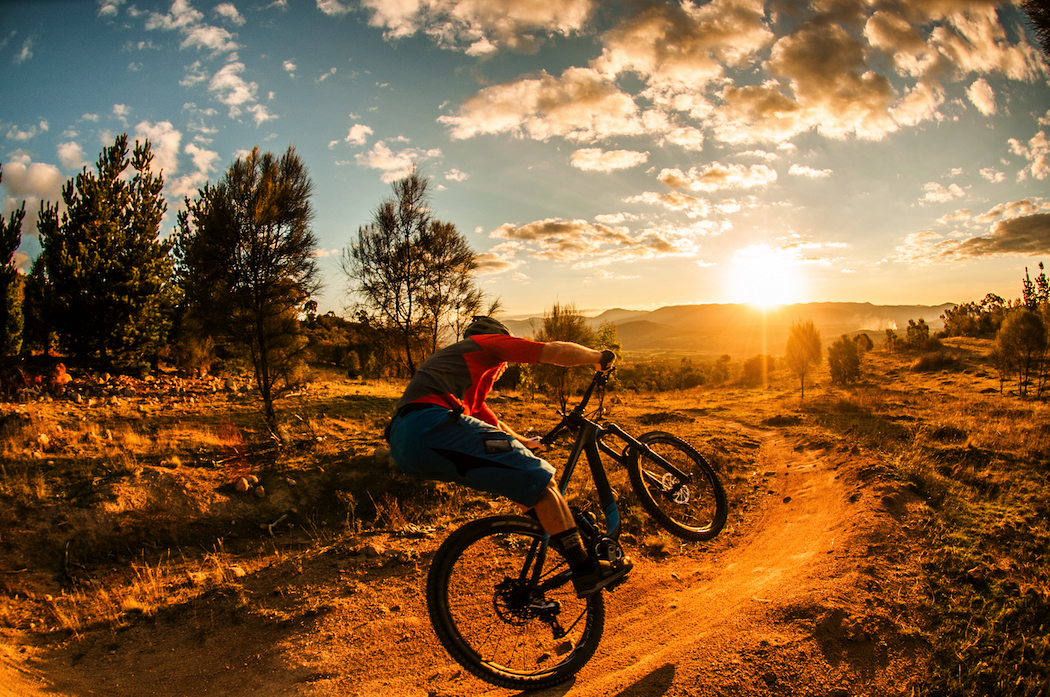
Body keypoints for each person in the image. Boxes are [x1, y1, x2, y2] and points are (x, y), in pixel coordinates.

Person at [387, 315, 631, 598]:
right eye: (506, 364)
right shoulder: (487, 344)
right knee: (541, 480)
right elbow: (555, 351)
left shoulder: (464, 384)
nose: (505, 368)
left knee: (518, 475)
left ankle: (558, 531)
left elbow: (491, 429)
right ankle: (586, 570)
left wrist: (525, 442)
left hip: (407, 443)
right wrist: (599, 357)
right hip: (431, 425)